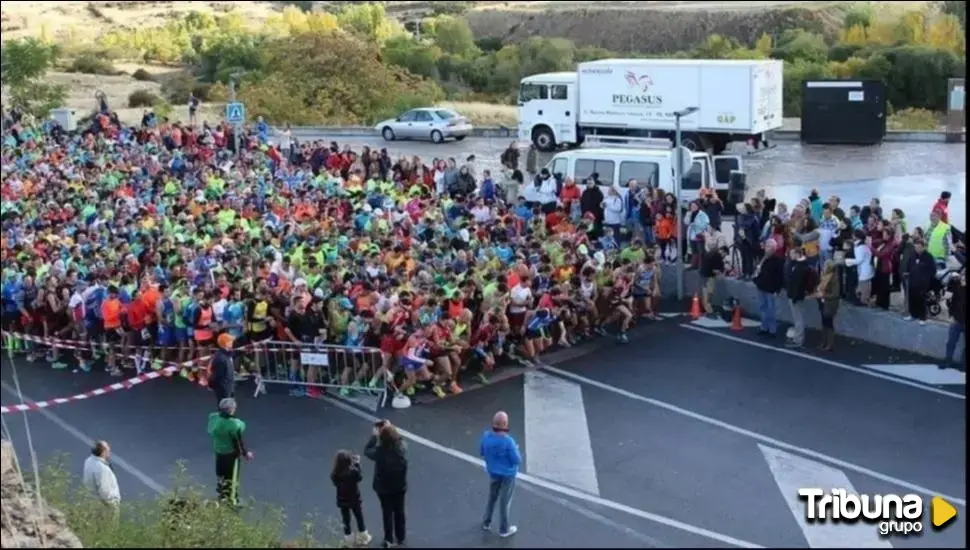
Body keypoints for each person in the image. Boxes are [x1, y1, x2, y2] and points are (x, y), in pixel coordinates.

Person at [364, 420, 408, 548]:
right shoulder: (402, 448)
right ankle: (401, 537)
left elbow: (367, 450)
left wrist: (374, 436)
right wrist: (390, 428)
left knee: (387, 512)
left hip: (383, 488)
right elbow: (400, 439)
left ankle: (388, 539)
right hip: (400, 486)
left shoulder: (379, 452)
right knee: (399, 511)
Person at [479, 411, 521, 538]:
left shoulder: (486, 437)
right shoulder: (508, 442)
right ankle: (504, 529)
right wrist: (516, 449)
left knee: (492, 497)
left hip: (493, 472)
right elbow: (517, 460)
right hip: (508, 475)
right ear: (505, 424)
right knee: (504, 501)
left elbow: (481, 452)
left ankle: (486, 522)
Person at [207, 398, 253, 506]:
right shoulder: (235, 424)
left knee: (221, 474)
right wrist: (245, 453)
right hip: (230, 454)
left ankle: (221, 494)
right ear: (232, 410)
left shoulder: (213, 418)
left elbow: (214, 416)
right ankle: (233, 501)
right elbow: (239, 440)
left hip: (218, 451)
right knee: (232, 477)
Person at [331, 450, 372, 547]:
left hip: (342, 500)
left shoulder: (335, 474)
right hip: (355, 499)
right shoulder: (353, 472)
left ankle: (349, 540)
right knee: (359, 517)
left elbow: (335, 484)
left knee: (346, 519)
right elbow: (359, 477)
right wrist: (357, 464)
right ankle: (363, 536)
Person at [753, 239, 784, 337]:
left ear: (773, 249)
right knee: (763, 308)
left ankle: (772, 329)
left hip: (771, 289)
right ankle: (764, 327)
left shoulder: (777, 261)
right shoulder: (763, 258)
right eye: (766, 246)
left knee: (771, 309)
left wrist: (777, 289)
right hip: (761, 286)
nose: (766, 248)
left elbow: (780, 277)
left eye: (768, 246)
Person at [904, 239, 937, 325]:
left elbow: (933, 270)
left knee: (921, 300)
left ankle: (922, 317)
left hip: (923, 283)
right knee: (912, 298)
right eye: (915, 247)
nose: (917, 249)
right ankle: (912, 315)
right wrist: (907, 272)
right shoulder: (912, 255)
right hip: (912, 281)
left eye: (919, 247)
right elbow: (908, 265)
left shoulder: (929, 257)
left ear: (923, 247)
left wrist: (926, 278)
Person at [785, 247, 812, 350]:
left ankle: (798, 339)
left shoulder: (800, 267)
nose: (790, 256)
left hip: (796, 296)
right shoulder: (800, 264)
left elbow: (797, 283)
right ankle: (797, 337)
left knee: (798, 318)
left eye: (792, 254)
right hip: (795, 294)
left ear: (797, 254)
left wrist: (794, 297)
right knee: (797, 317)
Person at [814, 260, 842, 351]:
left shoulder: (834, 279)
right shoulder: (824, 277)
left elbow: (835, 294)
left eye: (825, 265)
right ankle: (824, 342)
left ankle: (829, 344)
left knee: (829, 323)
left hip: (830, 304)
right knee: (824, 322)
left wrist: (823, 295)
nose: (823, 267)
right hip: (823, 303)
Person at [82, 440, 120, 507]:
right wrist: (114, 503)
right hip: (103, 507)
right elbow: (104, 492)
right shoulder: (102, 468)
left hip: (91, 500)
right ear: (103, 453)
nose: (109, 452)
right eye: (108, 450)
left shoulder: (88, 460)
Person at [944, 270, 965, 368]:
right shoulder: (957, 287)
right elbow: (952, 302)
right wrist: (951, 315)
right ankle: (948, 360)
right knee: (950, 342)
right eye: (963, 276)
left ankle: (963, 364)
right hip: (956, 319)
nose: (963, 279)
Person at [698, 245, 726, 319]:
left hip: (703, 274)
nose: (724, 256)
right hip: (708, 276)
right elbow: (716, 270)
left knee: (706, 293)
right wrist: (722, 272)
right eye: (725, 254)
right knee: (709, 294)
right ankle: (709, 312)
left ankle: (707, 309)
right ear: (723, 251)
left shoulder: (713, 252)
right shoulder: (718, 256)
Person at [207, 332, 236, 404]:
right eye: (230, 341)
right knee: (225, 407)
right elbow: (216, 375)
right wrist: (211, 385)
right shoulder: (221, 358)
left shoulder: (226, 353)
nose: (232, 342)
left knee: (230, 405)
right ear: (226, 343)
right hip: (224, 388)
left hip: (229, 386)